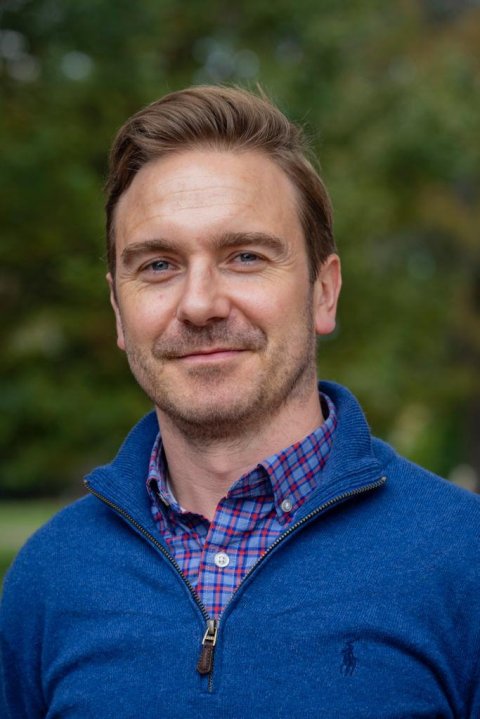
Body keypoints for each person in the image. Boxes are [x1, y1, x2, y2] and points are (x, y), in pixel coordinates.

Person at [1, 86, 479, 719]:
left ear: (323, 292)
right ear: (119, 310)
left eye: (245, 256)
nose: (200, 304)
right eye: (159, 266)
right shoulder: (50, 578)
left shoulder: (462, 559)